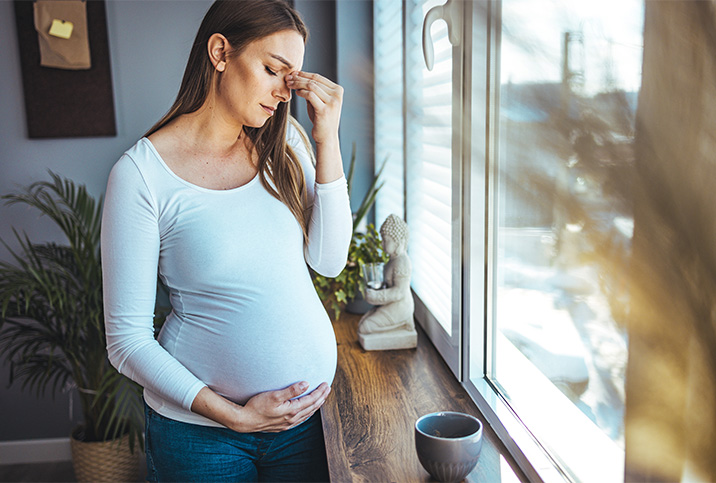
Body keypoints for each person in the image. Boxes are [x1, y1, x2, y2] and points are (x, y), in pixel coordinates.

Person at [100, 1, 352, 481]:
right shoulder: (141, 176)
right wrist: (236, 416)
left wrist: (328, 140)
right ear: (220, 52)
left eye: (292, 78)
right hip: (200, 438)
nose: (284, 93)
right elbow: (127, 342)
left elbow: (329, 260)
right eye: (273, 70)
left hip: (301, 424)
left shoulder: (289, 145)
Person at [358, 215, 416, 338]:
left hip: (401, 305)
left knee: (365, 327)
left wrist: (377, 296)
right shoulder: (392, 260)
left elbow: (399, 292)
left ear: (397, 240)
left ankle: (403, 324)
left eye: (385, 240)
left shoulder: (402, 263)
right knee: (362, 323)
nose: (382, 243)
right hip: (391, 304)